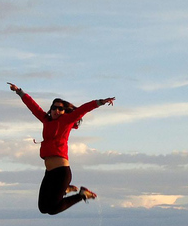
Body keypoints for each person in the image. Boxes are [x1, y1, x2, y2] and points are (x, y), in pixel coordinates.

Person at [7, 82, 114, 215]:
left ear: (64, 111)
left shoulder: (66, 121)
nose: (57, 111)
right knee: (43, 208)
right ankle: (65, 190)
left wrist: (100, 102)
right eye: (54, 108)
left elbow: (83, 109)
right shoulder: (46, 120)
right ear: (50, 109)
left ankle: (81, 194)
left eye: (60, 109)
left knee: (52, 209)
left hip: (61, 172)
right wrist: (19, 92)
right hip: (49, 172)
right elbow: (33, 106)